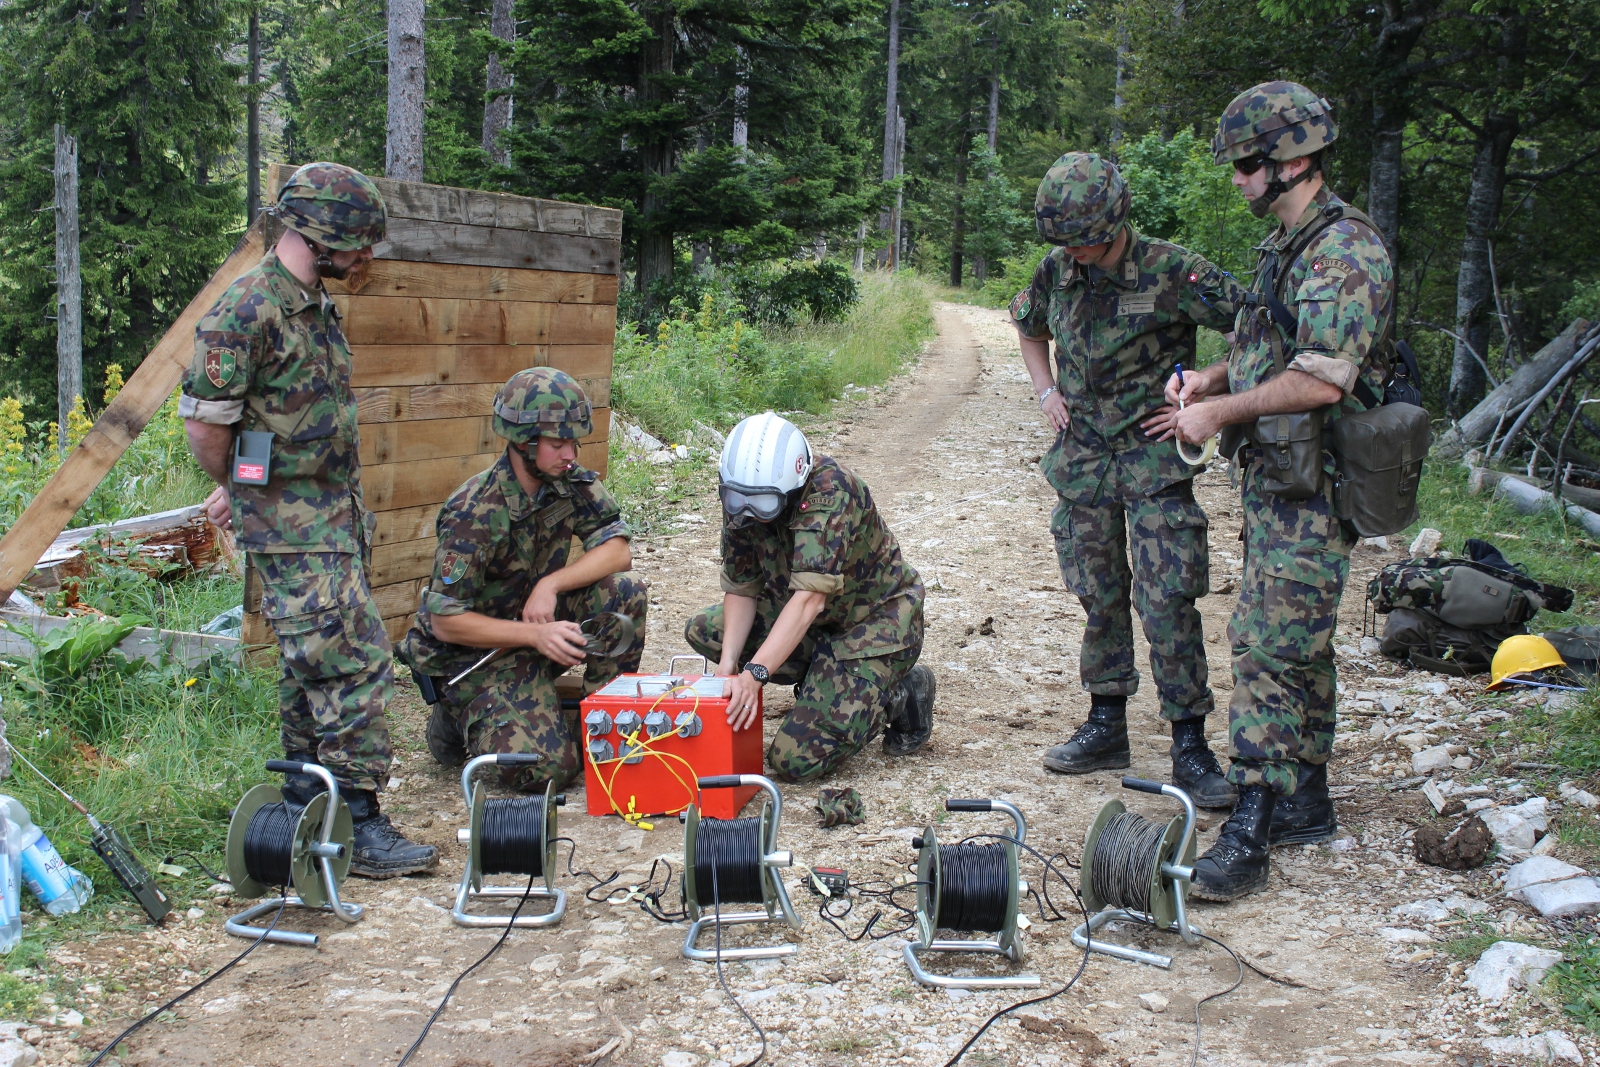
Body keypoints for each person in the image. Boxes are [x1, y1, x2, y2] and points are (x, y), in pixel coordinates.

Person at [1156, 81, 1396, 899]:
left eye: (1247, 165)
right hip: (1278, 481)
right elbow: (1272, 351)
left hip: (1315, 487)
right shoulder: (1289, 248)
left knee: (1264, 643)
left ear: (1292, 162)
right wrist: (1209, 379)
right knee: (1299, 643)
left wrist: (1220, 408)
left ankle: (1252, 821)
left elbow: (1325, 377)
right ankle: (1307, 799)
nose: (1237, 180)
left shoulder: (1346, 251)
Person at [180, 162, 437, 878]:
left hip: (330, 518)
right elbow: (208, 426)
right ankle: (358, 818)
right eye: (358, 244)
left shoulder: (310, 301)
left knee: (307, 665)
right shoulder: (248, 309)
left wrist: (253, 476)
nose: (366, 258)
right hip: (294, 533)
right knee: (355, 659)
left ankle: (301, 797)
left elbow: (276, 418)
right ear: (321, 235)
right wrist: (245, 486)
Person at [1011, 152, 1244, 810]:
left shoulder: (1174, 270)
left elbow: (1254, 327)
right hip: (1084, 459)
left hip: (1153, 459)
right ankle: (1107, 722)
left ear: (1114, 223)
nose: (1071, 253)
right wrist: (1045, 390)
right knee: (1099, 593)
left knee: (1168, 599)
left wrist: (1204, 393)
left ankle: (1190, 744)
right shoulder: (1059, 267)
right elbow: (1027, 324)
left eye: (1081, 240)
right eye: (1063, 241)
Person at [398, 368, 646, 790]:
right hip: (475, 659)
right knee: (549, 770)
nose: (570, 453)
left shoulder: (567, 482)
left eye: (573, 442)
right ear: (522, 442)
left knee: (624, 594)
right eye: (557, 444)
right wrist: (535, 637)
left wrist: (549, 586)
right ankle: (455, 718)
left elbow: (617, 550)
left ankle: (602, 725)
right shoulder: (475, 511)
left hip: (535, 630)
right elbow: (445, 621)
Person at [684, 412, 936, 781]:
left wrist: (754, 674)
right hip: (813, 624)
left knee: (795, 761)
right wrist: (728, 666)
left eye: (766, 504)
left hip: (872, 628)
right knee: (708, 629)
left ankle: (899, 694)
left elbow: (809, 599)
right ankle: (824, 680)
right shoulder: (743, 492)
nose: (751, 512)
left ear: (793, 486)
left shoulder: (830, 493)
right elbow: (742, 585)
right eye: (739, 500)